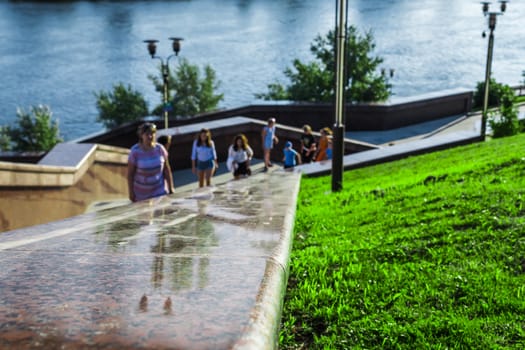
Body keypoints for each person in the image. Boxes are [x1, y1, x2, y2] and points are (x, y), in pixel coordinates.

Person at [127, 123, 175, 202]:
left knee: (161, 213)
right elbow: (130, 174)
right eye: (147, 134)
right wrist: (131, 192)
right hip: (141, 194)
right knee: (145, 214)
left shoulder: (160, 149)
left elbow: (166, 169)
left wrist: (171, 187)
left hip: (160, 190)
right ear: (141, 136)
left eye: (152, 133)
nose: (150, 136)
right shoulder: (135, 152)